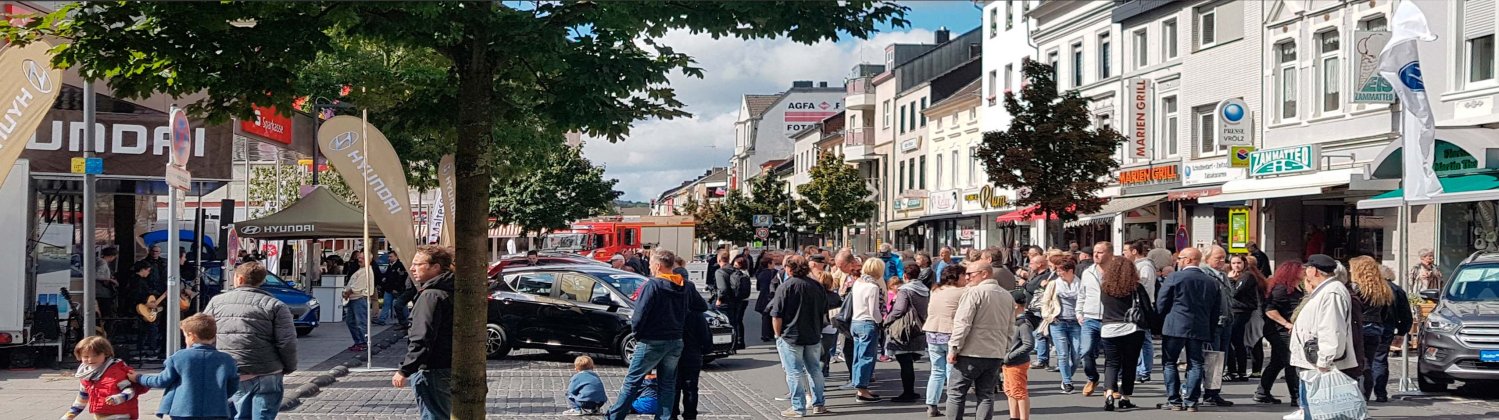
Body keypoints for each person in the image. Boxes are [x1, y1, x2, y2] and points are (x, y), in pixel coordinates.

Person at [606, 249, 708, 420]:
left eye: (652, 264)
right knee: (667, 384)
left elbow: (639, 315)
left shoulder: (653, 285)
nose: (650, 267)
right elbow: (701, 306)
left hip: (652, 340)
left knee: (632, 381)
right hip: (675, 340)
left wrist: (638, 335)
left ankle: (614, 417)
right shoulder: (686, 285)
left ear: (658, 266)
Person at [203, 262, 297, 420]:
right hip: (268, 371)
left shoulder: (216, 302)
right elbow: (287, 341)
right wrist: (289, 366)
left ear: (239, 279)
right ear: (262, 280)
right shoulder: (276, 305)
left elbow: (205, 336)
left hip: (233, 370)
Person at [1285, 254, 1358, 420]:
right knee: (1314, 410)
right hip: (1311, 362)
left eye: (1308, 268)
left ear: (1315, 271)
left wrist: (1324, 360)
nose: (1305, 272)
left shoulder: (1332, 292)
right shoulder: (1325, 290)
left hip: (1318, 363)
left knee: (1320, 412)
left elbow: (1332, 328)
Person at [131, 313, 239, 420]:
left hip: (183, 410)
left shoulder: (179, 357)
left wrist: (139, 378)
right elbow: (233, 386)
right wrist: (219, 396)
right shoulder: (227, 359)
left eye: (185, 336)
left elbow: (161, 381)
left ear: (192, 336)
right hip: (216, 410)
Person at [945, 261, 1015, 420]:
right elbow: (1011, 327)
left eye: (970, 274)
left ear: (984, 273)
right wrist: (1005, 349)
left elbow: (963, 323)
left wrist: (954, 348)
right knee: (986, 394)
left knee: (956, 393)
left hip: (971, 352)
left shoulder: (974, 293)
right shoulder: (1006, 295)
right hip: (995, 353)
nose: (967, 277)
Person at [392, 245, 456, 420]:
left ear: (435, 267)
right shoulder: (449, 290)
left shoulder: (431, 296)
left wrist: (405, 370)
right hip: (445, 365)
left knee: (434, 415)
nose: (412, 268)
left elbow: (422, 337)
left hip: (432, 368)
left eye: (418, 264)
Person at [1156, 247, 1221, 412]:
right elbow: (1216, 310)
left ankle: (1174, 400)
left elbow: (1161, 302)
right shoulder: (1211, 282)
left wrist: (1160, 321)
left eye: (1180, 258)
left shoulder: (1174, 277)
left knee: (1169, 362)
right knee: (1196, 363)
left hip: (1174, 325)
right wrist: (1211, 329)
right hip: (1199, 327)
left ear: (1188, 260)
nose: (1178, 261)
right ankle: (1192, 401)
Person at [768, 255, 831, 417]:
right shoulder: (816, 286)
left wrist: (777, 335)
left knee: (794, 372)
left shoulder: (785, 287)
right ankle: (818, 404)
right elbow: (824, 310)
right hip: (813, 334)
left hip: (790, 335)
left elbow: (776, 315)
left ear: (789, 269)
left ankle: (798, 408)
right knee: (815, 370)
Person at [1098, 257, 1151, 412]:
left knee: (1111, 362)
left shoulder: (1105, 288)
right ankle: (1125, 397)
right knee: (1130, 364)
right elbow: (1147, 308)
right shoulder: (1135, 287)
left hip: (1109, 329)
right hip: (1132, 329)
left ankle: (1109, 393)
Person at [1253, 261, 1307, 405]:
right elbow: (1270, 309)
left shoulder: (1296, 288)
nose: (1305, 271)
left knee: (1277, 362)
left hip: (1285, 330)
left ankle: (1262, 392)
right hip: (1279, 331)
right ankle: (1296, 396)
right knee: (1291, 362)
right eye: (1302, 269)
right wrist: (1286, 323)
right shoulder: (1281, 289)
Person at [1348, 256, 1396, 403]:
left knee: (1357, 363)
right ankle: (1365, 396)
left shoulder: (1356, 288)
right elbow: (1386, 313)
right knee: (1369, 361)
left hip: (1358, 327)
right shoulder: (1382, 288)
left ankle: (1357, 395)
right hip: (1375, 328)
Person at [64, 336, 143, 420]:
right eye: (86, 356)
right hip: (100, 416)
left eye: (95, 355)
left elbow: (130, 391)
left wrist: (119, 398)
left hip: (119, 415)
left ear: (106, 353)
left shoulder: (116, 372)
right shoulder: (85, 376)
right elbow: (82, 399)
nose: (90, 359)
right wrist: (69, 416)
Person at [922, 267, 966, 417]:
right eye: (964, 275)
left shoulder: (936, 290)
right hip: (950, 332)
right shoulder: (963, 292)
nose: (966, 278)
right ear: (956, 276)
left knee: (936, 371)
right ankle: (952, 404)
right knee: (952, 371)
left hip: (932, 331)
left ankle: (931, 404)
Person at [884, 263, 930, 403]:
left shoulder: (905, 290)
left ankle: (908, 392)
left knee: (904, 362)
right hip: (919, 327)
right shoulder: (924, 290)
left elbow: (899, 309)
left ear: (905, 275)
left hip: (905, 329)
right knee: (909, 361)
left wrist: (887, 320)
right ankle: (910, 391)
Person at [1039, 253, 1084, 394]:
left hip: (1076, 322)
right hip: (1058, 322)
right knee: (1063, 354)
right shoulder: (1054, 284)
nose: (1058, 273)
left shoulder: (1081, 284)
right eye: (1057, 271)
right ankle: (1067, 381)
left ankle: (1067, 376)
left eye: (1061, 271)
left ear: (1070, 271)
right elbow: (1045, 302)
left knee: (1077, 354)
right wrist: (1048, 316)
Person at [1197, 246, 1236, 407]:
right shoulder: (1205, 274)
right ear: (1207, 258)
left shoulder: (1223, 275)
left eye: (1223, 258)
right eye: (1217, 258)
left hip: (1226, 321)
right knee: (1212, 358)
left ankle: (1214, 392)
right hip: (1214, 323)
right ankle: (1208, 393)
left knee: (1221, 359)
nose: (1222, 261)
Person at [1073, 242, 1112, 396]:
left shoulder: (1116, 272)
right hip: (1090, 317)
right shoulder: (1088, 272)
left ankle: (1110, 385)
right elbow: (1082, 294)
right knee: (1085, 351)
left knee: (1112, 354)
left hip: (1110, 318)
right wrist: (1079, 312)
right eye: (1095, 252)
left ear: (1109, 254)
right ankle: (1092, 378)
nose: (1096, 255)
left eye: (1100, 252)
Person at [847, 257, 886, 402]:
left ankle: (859, 386)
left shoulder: (858, 282)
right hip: (867, 323)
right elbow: (873, 310)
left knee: (858, 356)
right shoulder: (873, 287)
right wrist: (881, 322)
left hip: (855, 322)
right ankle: (862, 390)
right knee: (867, 357)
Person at [677, 272, 714, 420]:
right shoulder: (697, 314)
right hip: (692, 353)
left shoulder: (672, 310)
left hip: (672, 352)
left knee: (672, 387)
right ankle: (690, 415)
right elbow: (706, 337)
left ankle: (671, 414)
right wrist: (705, 350)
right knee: (691, 388)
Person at [1376, 264, 1413, 402]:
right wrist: (1402, 332)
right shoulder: (1397, 290)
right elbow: (1406, 315)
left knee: (1367, 359)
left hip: (1371, 326)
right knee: (1380, 359)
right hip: (1388, 328)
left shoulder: (1372, 288)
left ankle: (1364, 392)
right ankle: (1380, 393)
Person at [1229, 255, 1266, 382]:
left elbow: (1234, 293)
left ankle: (1240, 371)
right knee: (1244, 340)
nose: (1236, 265)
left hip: (1244, 311)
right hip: (1246, 311)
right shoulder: (1250, 276)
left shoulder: (1247, 276)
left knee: (1238, 340)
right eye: (1233, 263)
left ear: (1245, 263)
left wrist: (1230, 280)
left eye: (1239, 262)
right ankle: (1244, 371)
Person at [1125, 241, 1157, 383]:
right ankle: (1139, 368)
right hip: (1135, 306)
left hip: (1142, 306)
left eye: (1125, 250)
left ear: (1134, 251)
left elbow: (1145, 287)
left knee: (1145, 339)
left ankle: (1144, 371)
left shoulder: (1145, 266)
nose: (1124, 253)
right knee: (1136, 338)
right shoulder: (1135, 265)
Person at [1002, 289, 1035, 420]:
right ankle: (1013, 416)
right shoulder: (1013, 321)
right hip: (1008, 362)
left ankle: (1023, 417)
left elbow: (1028, 344)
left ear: (1015, 305)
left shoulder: (1023, 324)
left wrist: (1010, 356)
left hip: (1017, 362)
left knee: (1019, 392)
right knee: (1009, 391)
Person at [1022, 255, 1054, 371]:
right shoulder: (1035, 275)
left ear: (1039, 264)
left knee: (1040, 333)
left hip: (1040, 308)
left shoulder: (1046, 276)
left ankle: (1042, 359)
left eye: (1031, 263)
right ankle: (1042, 358)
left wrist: (1024, 284)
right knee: (1040, 333)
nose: (1029, 266)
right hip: (1033, 308)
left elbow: (1033, 287)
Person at [343, 251, 376, 353]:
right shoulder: (361, 270)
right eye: (359, 257)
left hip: (359, 299)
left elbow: (356, 288)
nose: (359, 259)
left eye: (362, 258)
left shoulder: (365, 271)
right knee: (351, 321)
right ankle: (358, 341)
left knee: (360, 322)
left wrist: (347, 293)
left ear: (369, 260)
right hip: (354, 299)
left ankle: (363, 343)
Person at [755, 253, 782, 343]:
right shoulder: (775, 273)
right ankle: (771, 333)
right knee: (773, 314)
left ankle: (765, 334)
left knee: (765, 316)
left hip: (763, 296)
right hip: (772, 296)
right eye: (773, 263)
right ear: (769, 264)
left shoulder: (760, 273)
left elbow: (758, 287)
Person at [96, 246, 121, 317]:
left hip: (100, 291)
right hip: (102, 292)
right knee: (107, 312)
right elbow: (97, 275)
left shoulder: (100, 262)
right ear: (111, 256)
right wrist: (110, 280)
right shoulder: (103, 263)